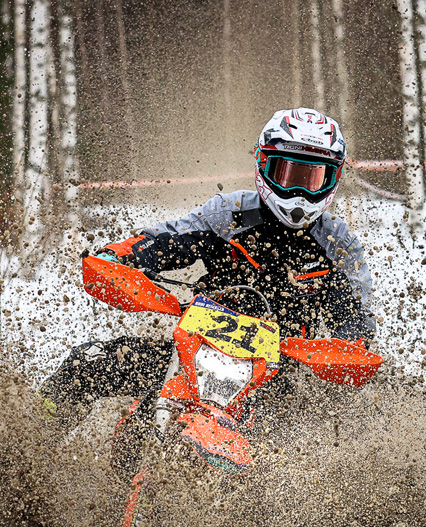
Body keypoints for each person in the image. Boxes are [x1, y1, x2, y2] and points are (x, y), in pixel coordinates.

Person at [39, 107, 376, 431]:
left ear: (333, 179)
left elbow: (356, 323)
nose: (299, 191)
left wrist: (348, 350)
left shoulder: (338, 244)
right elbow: (169, 240)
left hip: (279, 376)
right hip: (196, 350)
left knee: (322, 437)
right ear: (263, 164)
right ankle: (29, 442)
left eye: (313, 178)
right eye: (288, 174)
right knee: (88, 363)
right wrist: (119, 256)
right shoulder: (230, 213)